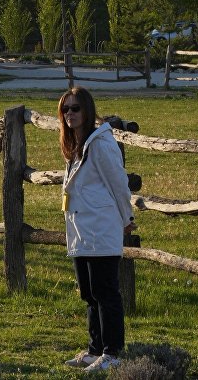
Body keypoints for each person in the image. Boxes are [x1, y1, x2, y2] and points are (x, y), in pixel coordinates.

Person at [58, 87, 135, 373]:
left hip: (100, 227)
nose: (70, 114)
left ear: (88, 111)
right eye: (65, 109)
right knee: (88, 293)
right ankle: (94, 349)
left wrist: (126, 218)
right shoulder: (75, 146)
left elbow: (118, 183)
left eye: (75, 108)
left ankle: (113, 352)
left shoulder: (101, 144)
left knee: (106, 292)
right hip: (80, 228)